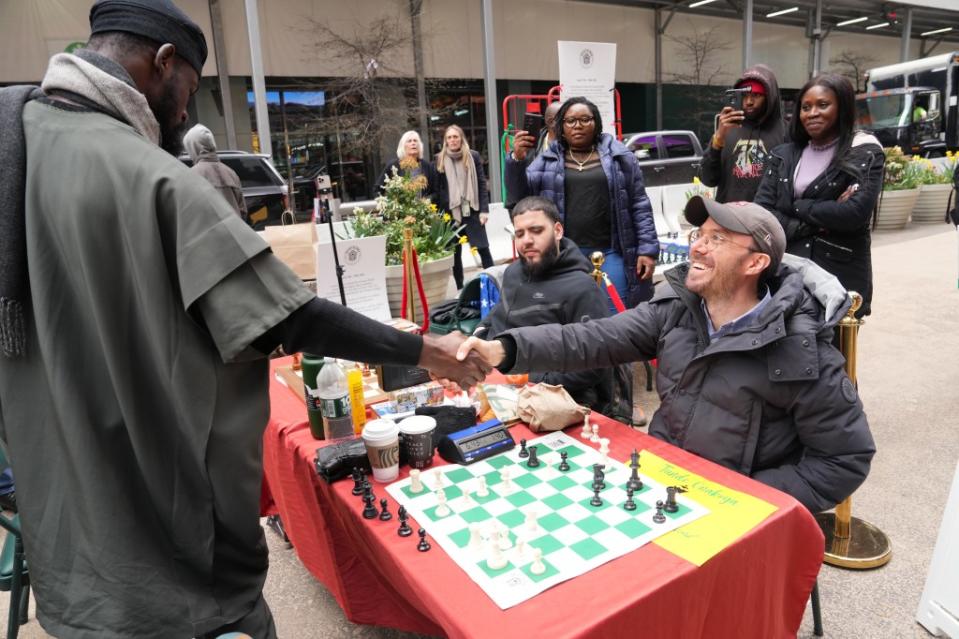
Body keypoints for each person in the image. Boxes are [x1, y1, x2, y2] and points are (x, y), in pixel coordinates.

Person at [0, 2, 489, 637]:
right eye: (189, 92)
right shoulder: (150, 178)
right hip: (170, 574)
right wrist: (428, 350)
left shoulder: (18, 147)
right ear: (163, 62)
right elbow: (291, 318)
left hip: (68, 557)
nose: (182, 113)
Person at [455, 196, 876, 513]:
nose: (696, 248)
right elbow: (590, 338)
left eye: (717, 239)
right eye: (699, 235)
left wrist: (749, 497)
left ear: (756, 263)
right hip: (658, 483)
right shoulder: (678, 311)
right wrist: (504, 348)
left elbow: (845, 459)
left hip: (733, 509)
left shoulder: (802, 349)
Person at [475, 195, 632, 422]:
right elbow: (501, 312)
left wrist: (530, 377)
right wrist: (478, 335)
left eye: (536, 231)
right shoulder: (512, 273)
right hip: (497, 388)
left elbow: (595, 363)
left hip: (555, 405)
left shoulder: (581, 287)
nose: (526, 240)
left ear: (558, 231)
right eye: (520, 234)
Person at [504, 96, 659, 310]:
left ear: (596, 123)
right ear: (561, 127)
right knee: (574, 314)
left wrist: (648, 250)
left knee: (616, 311)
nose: (577, 126)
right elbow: (520, 200)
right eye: (570, 121)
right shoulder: (546, 161)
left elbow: (639, 205)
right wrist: (517, 160)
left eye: (585, 119)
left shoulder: (620, 157)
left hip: (611, 251)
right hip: (565, 254)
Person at [753, 73, 884, 317]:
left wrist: (796, 206)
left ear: (842, 107)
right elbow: (762, 213)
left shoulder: (864, 151)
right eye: (806, 107)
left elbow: (853, 213)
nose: (812, 113)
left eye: (823, 105)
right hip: (789, 269)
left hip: (839, 272)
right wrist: (817, 220)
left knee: (834, 352)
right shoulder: (783, 155)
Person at [700, 64, 787, 203]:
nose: (749, 102)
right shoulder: (727, 128)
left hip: (765, 219)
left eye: (756, 95)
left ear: (770, 97)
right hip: (729, 217)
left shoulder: (784, 133)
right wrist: (718, 139)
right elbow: (708, 179)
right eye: (745, 95)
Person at [435, 124, 494, 289]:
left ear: (461, 138)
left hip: (472, 211)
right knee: (455, 254)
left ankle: (494, 282)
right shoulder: (439, 159)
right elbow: (438, 188)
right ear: (445, 141)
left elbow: (482, 183)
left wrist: (484, 210)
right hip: (450, 214)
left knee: (483, 248)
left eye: (455, 136)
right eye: (449, 137)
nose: (453, 140)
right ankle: (460, 288)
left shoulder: (472, 156)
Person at [183, 122, 248, 220]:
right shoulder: (231, 173)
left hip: (209, 235)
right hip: (234, 233)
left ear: (193, 147)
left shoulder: (190, 176)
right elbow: (242, 211)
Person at [376, 130, 439, 202]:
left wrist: (427, 200)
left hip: (422, 210)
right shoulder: (394, 165)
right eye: (409, 141)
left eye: (415, 141)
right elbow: (378, 188)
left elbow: (436, 192)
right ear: (403, 146)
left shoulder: (427, 166)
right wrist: (389, 205)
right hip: (399, 212)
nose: (413, 143)